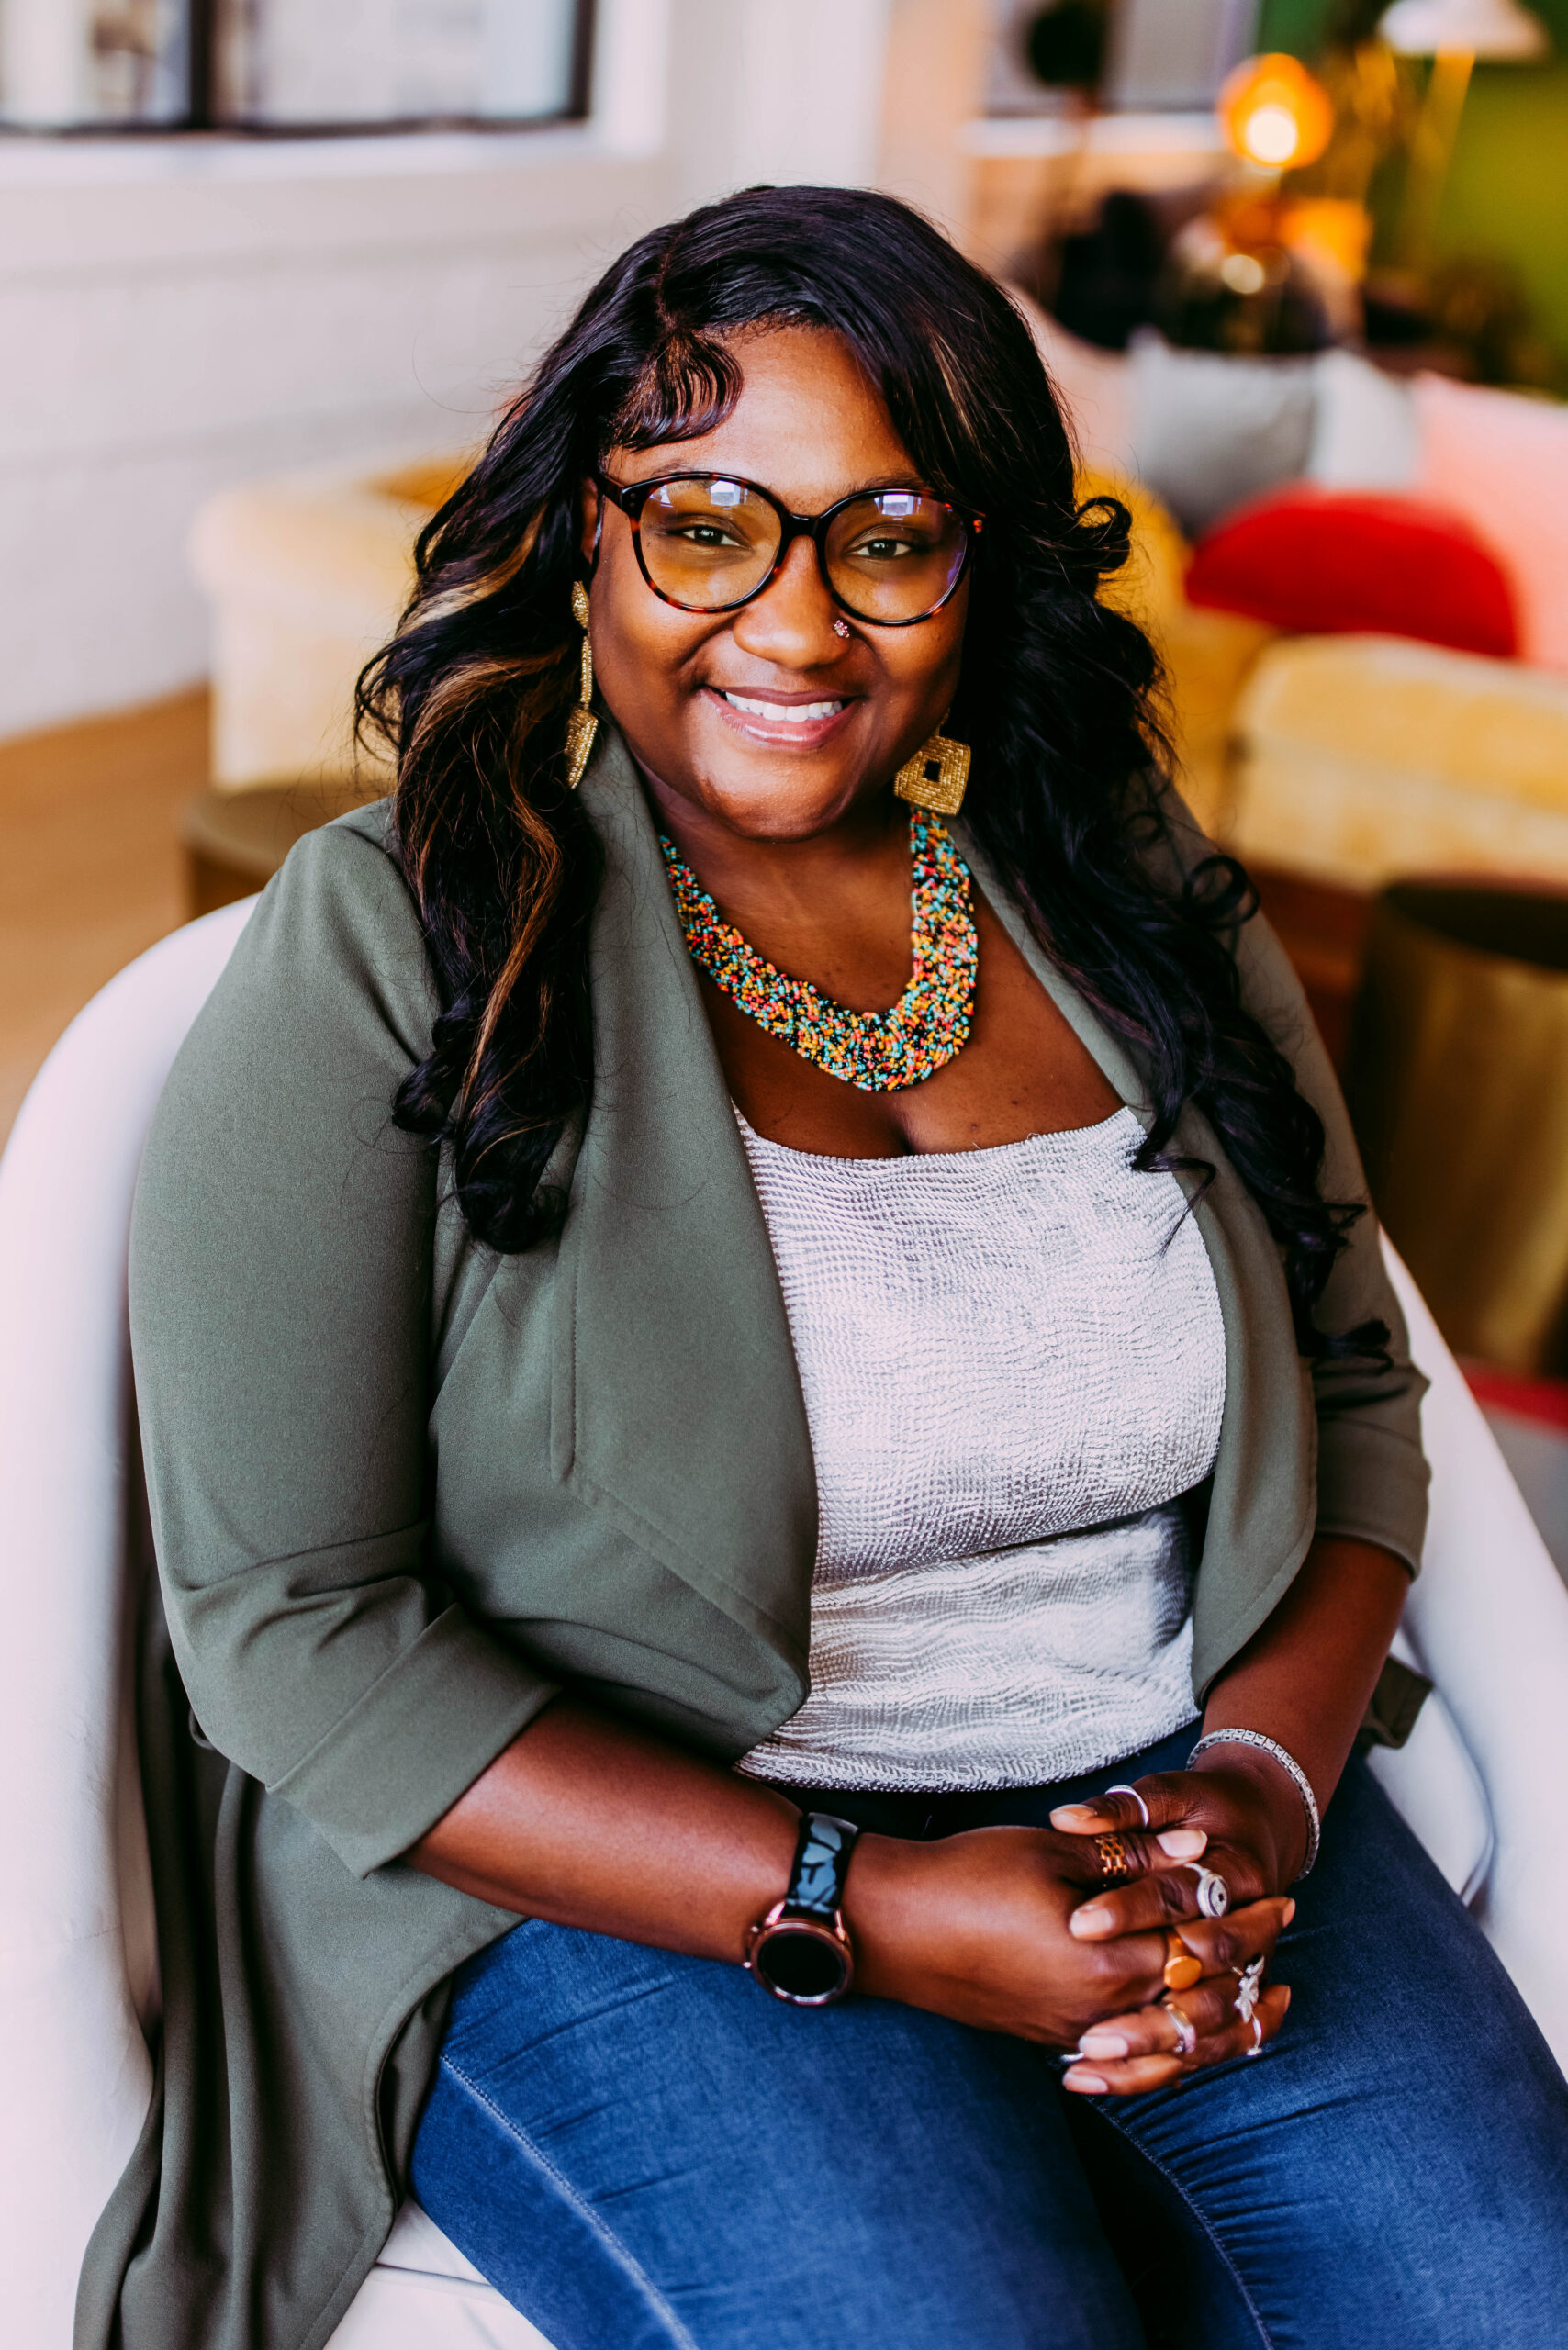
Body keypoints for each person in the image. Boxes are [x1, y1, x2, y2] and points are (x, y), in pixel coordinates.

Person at [92, 187, 1568, 2350]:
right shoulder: (395, 944)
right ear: (577, 514)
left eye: (881, 536)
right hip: (615, 1860)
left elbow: (1351, 1388)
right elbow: (291, 1624)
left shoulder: (1132, 897)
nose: (792, 626)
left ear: (974, 557)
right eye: (704, 522)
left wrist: (1254, 1785)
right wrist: (859, 1906)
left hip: (1158, 1796)